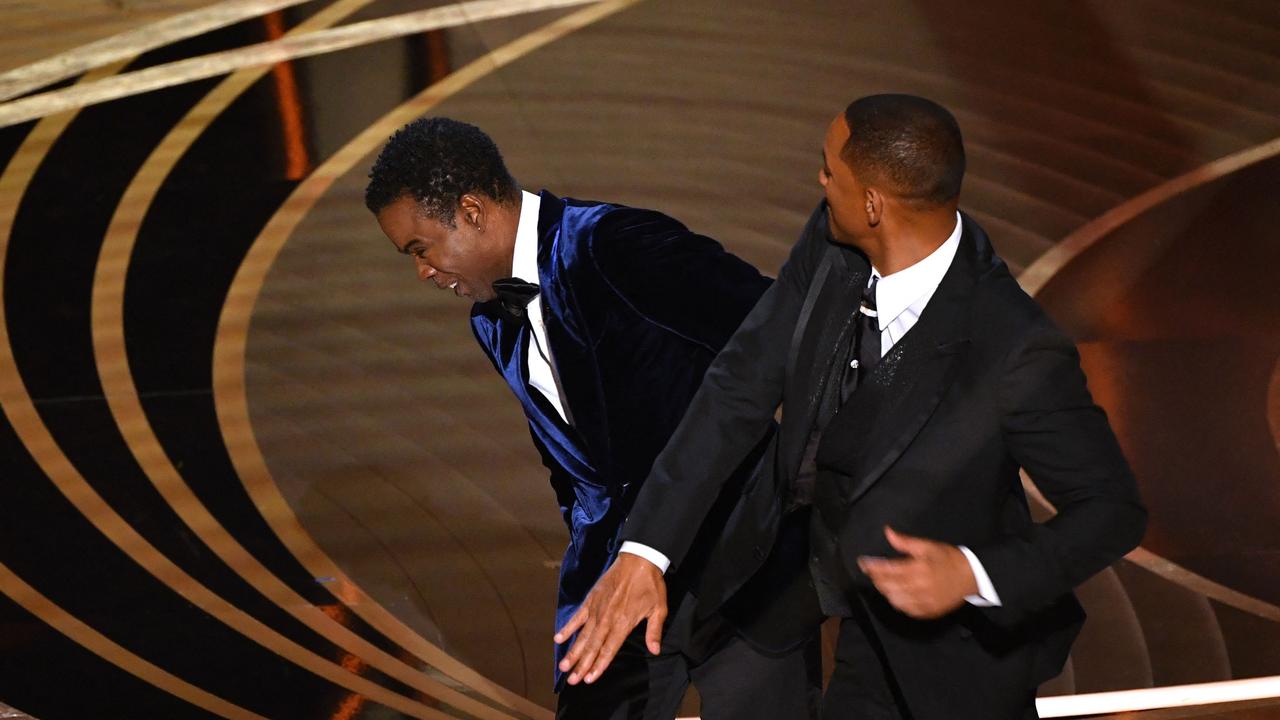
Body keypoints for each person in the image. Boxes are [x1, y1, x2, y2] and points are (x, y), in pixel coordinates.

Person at [556, 94, 1148, 720]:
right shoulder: (832, 241)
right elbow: (738, 386)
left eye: (829, 170)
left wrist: (972, 574)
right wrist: (644, 550)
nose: (819, 181)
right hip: (807, 574)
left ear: (873, 205)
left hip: (947, 653)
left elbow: (1112, 511)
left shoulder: (1014, 348)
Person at [365, 117, 818, 720]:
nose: (422, 271)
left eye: (419, 249)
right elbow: (572, 466)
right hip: (616, 579)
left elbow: (776, 333)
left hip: (745, 567)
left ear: (472, 211)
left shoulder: (613, 244)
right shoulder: (491, 320)